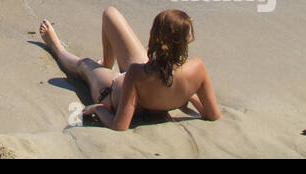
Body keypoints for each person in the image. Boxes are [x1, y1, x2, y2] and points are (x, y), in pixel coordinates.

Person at [39, 8, 220, 130]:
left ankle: (57, 48)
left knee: (83, 65)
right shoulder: (197, 69)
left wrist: (98, 109)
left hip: (111, 93)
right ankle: (106, 64)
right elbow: (212, 115)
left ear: (155, 36)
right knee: (111, 14)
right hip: (152, 81)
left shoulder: (136, 73)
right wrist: (187, 95)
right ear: (187, 40)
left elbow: (120, 125)